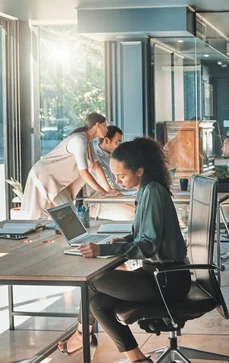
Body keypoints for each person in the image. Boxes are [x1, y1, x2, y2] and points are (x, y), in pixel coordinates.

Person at [56, 137, 190, 363]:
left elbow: (148, 245)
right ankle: (137, 358)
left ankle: (81, 336)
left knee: (90, 281)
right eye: (115, 176)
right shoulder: (148, 189)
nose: (117, 182)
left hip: (166, 280)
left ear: (139, 170)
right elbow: (145, 235)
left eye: (122, 176)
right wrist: (123, 240)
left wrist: (105, 250)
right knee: (97, 304)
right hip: (159, 275)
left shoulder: (153, 193)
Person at [22, 112, 120, 219]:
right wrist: (104, 192)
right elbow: (84, 173)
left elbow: (96, 165)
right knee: (37, 217)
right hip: (43, 175)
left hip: (56, 181)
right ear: (97, 125)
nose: (106, 129)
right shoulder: (79, 140)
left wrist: (108, 189)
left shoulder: (88, 141)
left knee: (68, 216)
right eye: (104, 126)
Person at [89, 125, 136, 221]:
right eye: (117, 142)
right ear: (106, 140)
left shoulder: (112, 156)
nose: (120, 145)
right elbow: (111, 186)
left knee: (144, 209)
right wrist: (131, 185)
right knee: (134, 215)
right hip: (100, 202)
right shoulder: (96, 158)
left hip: (115, 196)